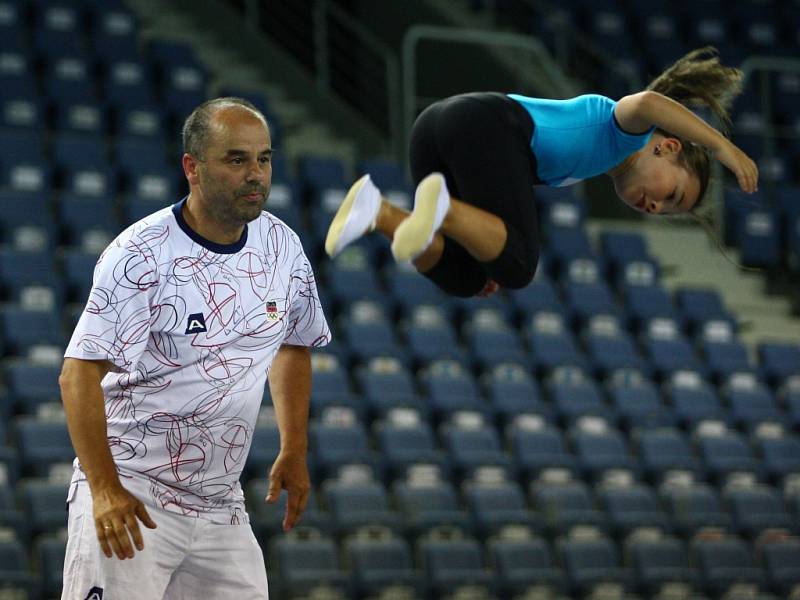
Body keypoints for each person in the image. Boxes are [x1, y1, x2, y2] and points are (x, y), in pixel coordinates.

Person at [58, 97, 330, 599]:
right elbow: (77, 375)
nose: (255, 174)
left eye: (264, 159)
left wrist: (294, 447)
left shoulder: (283, 247)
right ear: (193, 168)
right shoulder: (140, 255)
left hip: (220, 505)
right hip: (134, 494)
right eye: (236, 159)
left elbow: (293, 344)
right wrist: (104, 490)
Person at [325, 47, 759, 298]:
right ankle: (444, 208)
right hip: (482, 125)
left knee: (467, 278)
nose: (655, 206)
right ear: (667, 146)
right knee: (519, 266)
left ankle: (377, 212)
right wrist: (723, 146)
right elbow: (646, 102)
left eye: (663, 212)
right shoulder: (626, 131)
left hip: (438, 130)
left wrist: (487, 253)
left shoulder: (601, 158)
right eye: (672, 195)